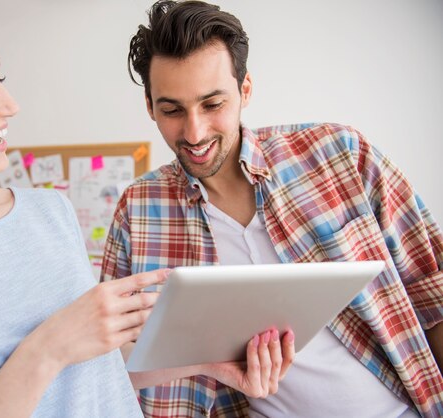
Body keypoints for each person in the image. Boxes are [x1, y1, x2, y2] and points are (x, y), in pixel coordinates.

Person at [0, 0, 294, 416]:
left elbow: (94, 370)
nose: (10, 105)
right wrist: (46, 349)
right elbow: (61, 352)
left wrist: (210, 364)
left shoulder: (47, 212)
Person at [100, 1, 443, 417]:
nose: (194, 132)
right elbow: (108, 358)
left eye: (212, 105)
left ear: (245, 91)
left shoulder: (340, 154)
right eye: (172, 110)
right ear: (150, 107)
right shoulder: (137, 210)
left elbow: (432, 292)